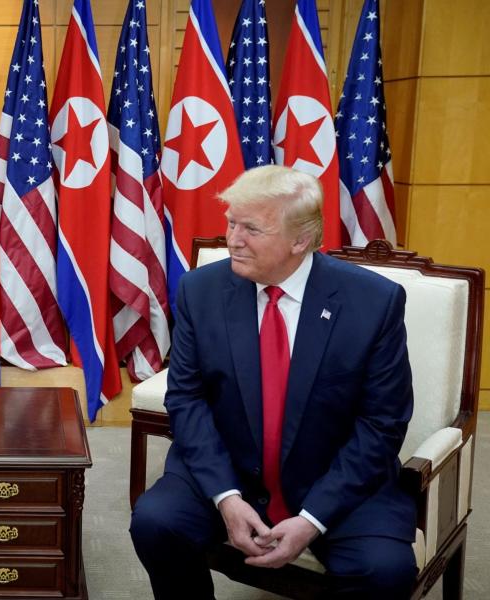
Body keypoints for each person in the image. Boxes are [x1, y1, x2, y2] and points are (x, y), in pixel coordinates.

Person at [130, 165, 417, 598]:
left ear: (300, 240)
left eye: (251, 229)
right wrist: (226, 496)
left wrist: (313, 518)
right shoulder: (199, 290)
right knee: (156, 523)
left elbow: (383, 423)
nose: (232, 239)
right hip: (233, 466)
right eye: (230, 223)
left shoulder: (373, 302)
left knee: (384, 571)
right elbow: (186, 398)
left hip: (332, 478)